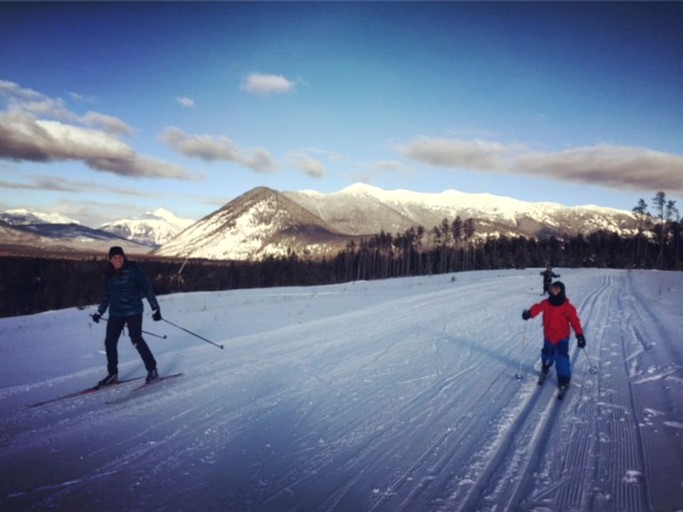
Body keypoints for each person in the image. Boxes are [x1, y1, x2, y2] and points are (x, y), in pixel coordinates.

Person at [91, 246, 162, 386]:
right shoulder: (109, 273)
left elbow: (147, 288)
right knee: (109, 342)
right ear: (110, 260)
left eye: (120, 257)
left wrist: (155, 308)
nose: (118, 260)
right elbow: (107, 295)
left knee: (136, 338)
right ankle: (112, 374)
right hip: (116, 312)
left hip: (133, 311)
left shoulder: (134, 269)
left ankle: (152, 369)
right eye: (115, 258)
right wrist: (100, 312)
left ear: (124, 257)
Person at [522, 281, 586, 392]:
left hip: (562, 337)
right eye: (553, 289)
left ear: (562, 291)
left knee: (561, 358)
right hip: (548, 336)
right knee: (546, 354)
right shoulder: (547, 303)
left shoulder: (568, 307)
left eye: (557, 289)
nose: (554, 291)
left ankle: (564, 379)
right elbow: (537, 308)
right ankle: (545, 367)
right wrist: (529, 313)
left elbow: (575, 322)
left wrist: (579, 335)